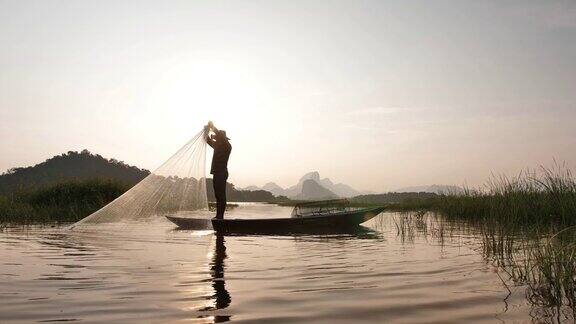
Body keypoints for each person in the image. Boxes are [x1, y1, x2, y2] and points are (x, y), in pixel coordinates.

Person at [204, 121, 232, 219]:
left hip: (222, 172)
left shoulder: (227, 146)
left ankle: (220, 217)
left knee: (221, 195)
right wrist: (206, 130)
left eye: (219, 138)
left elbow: (220, 136)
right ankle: (218, 216)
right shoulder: (218, 146)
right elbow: (207, 140)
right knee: (218, 195)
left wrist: (213, 127)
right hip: (217, 173)